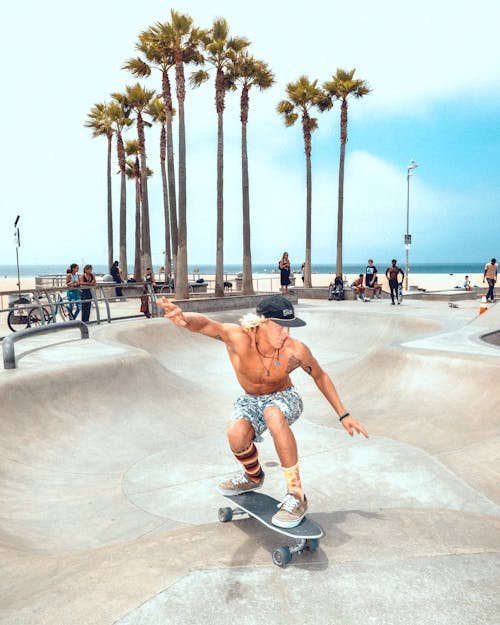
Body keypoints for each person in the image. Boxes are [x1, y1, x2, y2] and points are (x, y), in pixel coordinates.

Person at [157, 294, 368, 529]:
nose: (286, 333)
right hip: (251, 399)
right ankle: (253, 476)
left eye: (289, 327)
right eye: (280, 326)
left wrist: (344, 414)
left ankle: (296, 494)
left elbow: (320, 375)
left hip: (285, 397)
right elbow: (207, 324)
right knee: (236, 435)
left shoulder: (295, 351)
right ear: (262, 323)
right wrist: (183, 319)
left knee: (273, 412)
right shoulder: (238, 339)